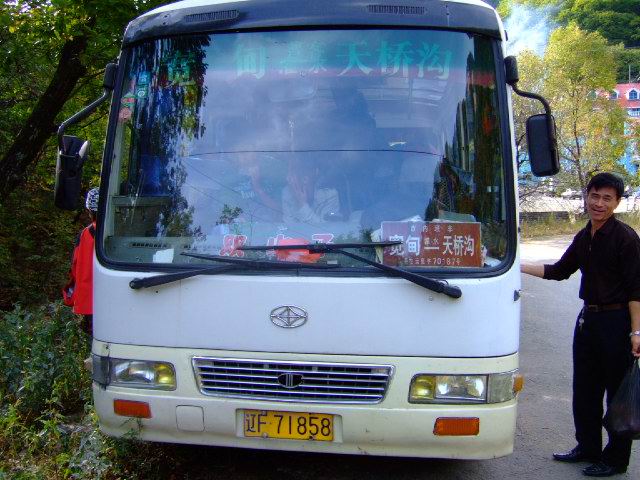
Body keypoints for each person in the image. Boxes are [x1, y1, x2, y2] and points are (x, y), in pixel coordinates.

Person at [521, 172, 640, 477]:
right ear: (586, 196)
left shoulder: (625, 238)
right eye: (594, 196)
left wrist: (636, 331)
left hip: (617, 322)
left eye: (607, 198)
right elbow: (559, 270)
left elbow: (636, 290)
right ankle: (587, 447)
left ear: (617, 203)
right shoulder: (585, 235)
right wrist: (515, 267)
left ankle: (616, 460)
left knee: (616, 393)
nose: (599, 203)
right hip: (588, 320)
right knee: (585, 389)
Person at [68, 188, 99, 339]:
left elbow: (75, 267)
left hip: (89, 302)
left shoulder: (84, 235)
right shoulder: (120, 233)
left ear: (89, 211)